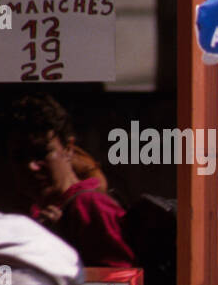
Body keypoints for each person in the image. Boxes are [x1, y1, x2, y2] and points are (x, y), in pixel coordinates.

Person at [7, 95, 136, 268]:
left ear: (68, 149)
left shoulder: (90, 205)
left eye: (42, 153)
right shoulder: (38, 215)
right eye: (19, 157)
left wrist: (58, 249)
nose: (31, 166)